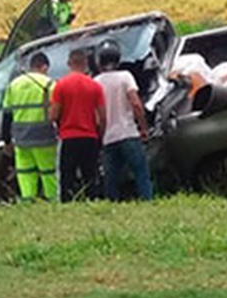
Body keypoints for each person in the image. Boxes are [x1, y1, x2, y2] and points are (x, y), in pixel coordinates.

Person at [95, 41, 154, 201]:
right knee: (141, 172)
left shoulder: (96, 82)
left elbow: (96, 114)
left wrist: (99, 136)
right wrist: (144, 128)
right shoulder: (125, 77)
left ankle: (113, 206)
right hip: (128, 133)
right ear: (118, 59)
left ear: (99, 61)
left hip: (108, 138)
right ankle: (146, 201)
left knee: (111, 179)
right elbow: (136, 104)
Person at [49, 49, 106, 202]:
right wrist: (100, 134)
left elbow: (53, 115)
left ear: (69, 63)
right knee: (90, 175)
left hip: (68, 137)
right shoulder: (95, 86)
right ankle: (93, 200)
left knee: (67, 176)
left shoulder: (60, 85)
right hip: (90, 137)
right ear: (85, 64)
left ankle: (68, 203)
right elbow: (102, 116)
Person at [1, 52, 58, 202]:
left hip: (21, 138)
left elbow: (7, 116)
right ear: (44, 67)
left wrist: (7, 141)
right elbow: (57, 110)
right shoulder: (49, 84)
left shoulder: (14, 85)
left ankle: (27, 200)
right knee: (48, 171)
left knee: (25, 172)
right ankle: (52, 199)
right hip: (44, 136)